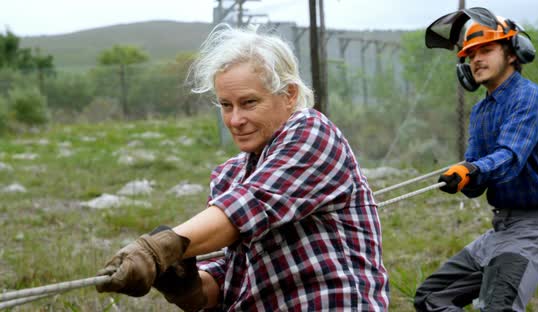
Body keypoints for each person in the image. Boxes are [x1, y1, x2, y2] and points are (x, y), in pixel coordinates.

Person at [94, 24, 390, 311]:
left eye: (249, 103)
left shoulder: (313, 134)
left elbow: (250, 205)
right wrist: (190, 288)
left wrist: (158, 249)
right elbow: (236, 274)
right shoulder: (231, 174)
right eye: (226, 105)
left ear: (289, 95)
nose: (235, 120)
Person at [415, 8, 538, 311]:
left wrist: (472, 169)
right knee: (431, 297)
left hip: (536, 228)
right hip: (502, 230)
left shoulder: (529, 98)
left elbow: (510, 157)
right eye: (471, 54)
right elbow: (477, 180)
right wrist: (462, 179)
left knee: (497, 307)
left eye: (486, 49)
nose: (476, 59)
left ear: (513, 53)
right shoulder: (481, 111)